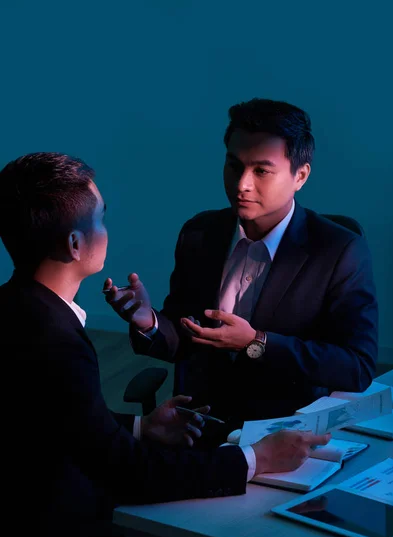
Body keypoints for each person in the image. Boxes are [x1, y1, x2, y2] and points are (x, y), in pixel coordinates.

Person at [0, 152, 330, 537]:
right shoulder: (58, 342)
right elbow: (128, 472)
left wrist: (140, 425)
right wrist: (256, 461)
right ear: (75, 245)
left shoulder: (16, 306)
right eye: (102, 218)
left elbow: (55, 419)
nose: (243, 185)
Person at [105, 98, 378, 446]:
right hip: (197, 430)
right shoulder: (200, 234)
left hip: (284, 435)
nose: (242, 185)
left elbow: (357, 367)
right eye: (234, 166)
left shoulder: (339, 251)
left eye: (261, 171)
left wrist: (256, 343)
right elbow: (184, 343)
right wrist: (150, 322)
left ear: (301, 176)